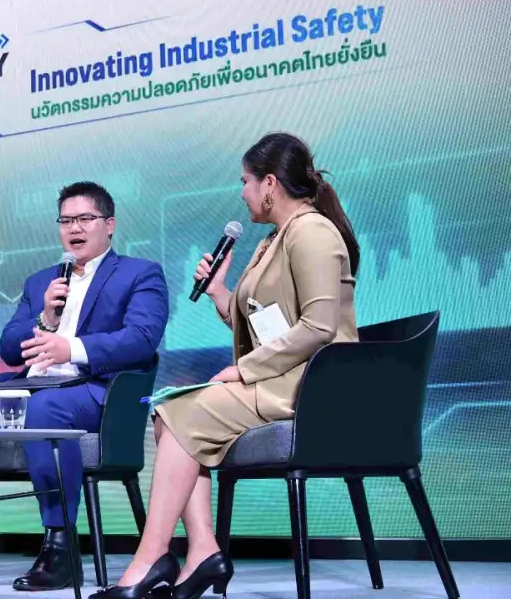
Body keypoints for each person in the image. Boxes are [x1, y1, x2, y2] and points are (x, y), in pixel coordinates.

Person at [95, 132, 360, 599]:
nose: (242, 193)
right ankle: (201, 550)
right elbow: (269, 325)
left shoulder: (313, 232)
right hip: (282, 379)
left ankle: (152, 556)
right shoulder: (275, 239)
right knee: (169, 414)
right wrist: (220, 291)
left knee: (178, 413)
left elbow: (318, 326)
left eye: (245, 182)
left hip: (311, 389)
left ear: (269, 184)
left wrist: (245, 369)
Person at [0, 182, 169, 592]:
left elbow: (141, 339)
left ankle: (60, 547)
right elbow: (9, 348)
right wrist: (45, 319)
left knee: (45, 410)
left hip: (98, 392)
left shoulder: (140, 273)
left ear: (109, 224)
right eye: (66, 221)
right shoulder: (41, 282)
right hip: (35, 386)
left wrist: (71, 347)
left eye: (85, 219)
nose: (74, 228)